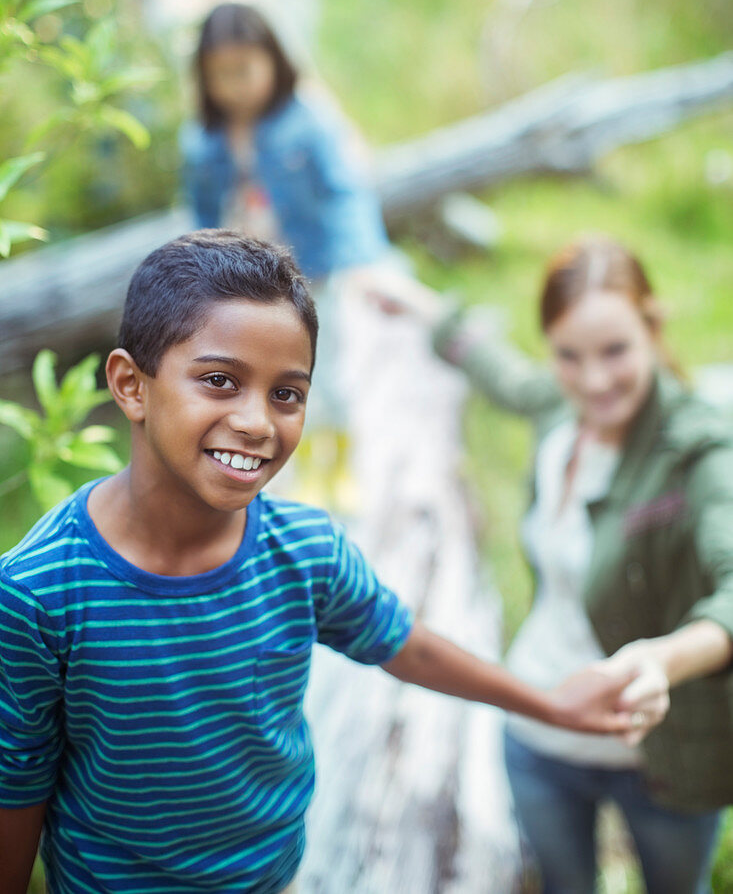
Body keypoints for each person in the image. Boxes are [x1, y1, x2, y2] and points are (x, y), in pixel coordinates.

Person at [0, 230, 640, 894]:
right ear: (131, 386)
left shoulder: (305, 552)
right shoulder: (40, 592)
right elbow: (16, 783)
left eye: (287, 394)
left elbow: (403, 645)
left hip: (274, 876)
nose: (256, 422)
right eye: (219, 381)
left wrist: (547, 705)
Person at [379, 235, 733, 894]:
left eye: (615, 351)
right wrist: (421, 307)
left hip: (657, 754)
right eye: (568, 356)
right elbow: (502, 375)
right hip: (537, 730)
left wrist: (660, 660)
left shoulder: (699, 454)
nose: (593, 380)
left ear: (653, 329)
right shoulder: (559, 410)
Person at [180, 2, 394, 501]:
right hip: (243, 283)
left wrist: (364, 259)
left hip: (310, 273)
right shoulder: (203, 142)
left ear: (274, 61)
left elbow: (346, 191)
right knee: (259, 377)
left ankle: (338, 462)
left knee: (326, 372)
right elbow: (199, 214)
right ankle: (274, 465)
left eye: (245, 69)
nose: (235, 85)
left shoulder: (307, 124)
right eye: (220, 74)